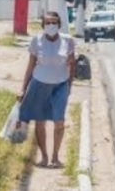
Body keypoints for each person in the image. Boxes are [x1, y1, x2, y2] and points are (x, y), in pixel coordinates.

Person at [18, 11, 75, 168]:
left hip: (60, 85)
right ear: (43, 25)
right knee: (40, 122)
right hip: (39, 84)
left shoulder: (68, 41)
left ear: (59, 24)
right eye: (48, 23)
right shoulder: (36, 41)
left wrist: (69, 85)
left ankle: (55, 157)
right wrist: (23, 88)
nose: (51, 25)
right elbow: (30, 66)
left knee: (59, 121)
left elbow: (72, 64)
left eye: (54, 22)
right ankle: (44, 156)